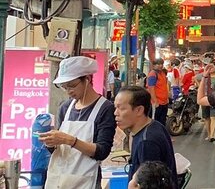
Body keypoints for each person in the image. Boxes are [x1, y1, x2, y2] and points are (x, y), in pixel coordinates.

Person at [41, 56, 117, 188]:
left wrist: (70, 140)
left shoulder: (105, 108)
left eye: (72, 86)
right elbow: (59, 149)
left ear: (87, 80)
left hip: (86, 179)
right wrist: (51, 143)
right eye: (65, 87)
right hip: (59, 177)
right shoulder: (65, 107)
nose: (69, 91)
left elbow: (102, 151)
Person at [114, 86, 177, 189]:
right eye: (115, 107)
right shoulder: (154, 126)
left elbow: (149, 184)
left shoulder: (147, 142)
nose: (116, 113)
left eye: (121, 108)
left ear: (139, 110)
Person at [196, 61, 215, 141]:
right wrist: (200, 86)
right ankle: (209, 134)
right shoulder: (205, 76)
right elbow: (195, 78)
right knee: (207, 117)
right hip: (204, 98)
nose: (211, 68)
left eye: (212, 67)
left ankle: (212, 135)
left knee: (213, 117)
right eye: (209, 66)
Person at [147, 58, 170, 125]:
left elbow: (164, 86)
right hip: (157, 103)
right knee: (155, 122)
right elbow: (151, 88)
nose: (160, 65)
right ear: (154, 65)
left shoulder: (162, 73)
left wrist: (167, 98)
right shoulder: (152, 74)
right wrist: (155, 101)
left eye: (161, 64)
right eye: (158, 64)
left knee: (162, 121)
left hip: (164, 102)